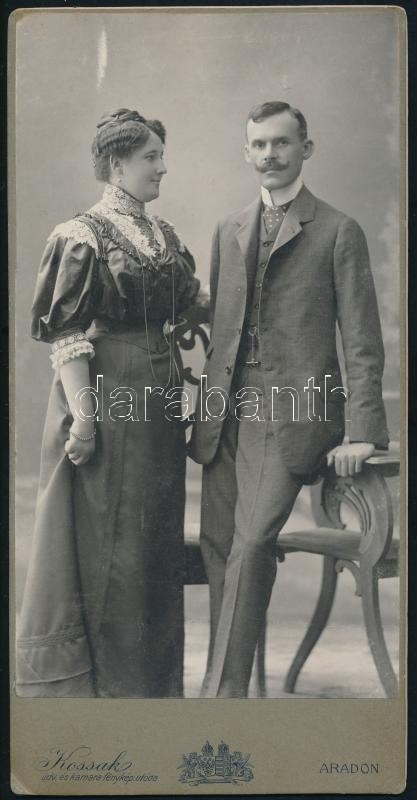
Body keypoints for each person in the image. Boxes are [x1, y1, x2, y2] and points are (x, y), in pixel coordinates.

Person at [190, 100, 389, 698]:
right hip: (226, 411)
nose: (269, 155)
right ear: (246, 152)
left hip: (294, 414)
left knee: (252, 543)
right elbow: (223, 331)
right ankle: (227, 689)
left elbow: (361, 340)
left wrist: (362, 432)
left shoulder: (338, 230)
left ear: (306, 148)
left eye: (281, 142)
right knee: (220, 547)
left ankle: (222, 700)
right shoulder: (228, 229)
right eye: (259, 144)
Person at [16, 108, 201, 698]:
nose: (162, 168)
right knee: (112, 547)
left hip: (158, 406)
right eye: (151, 157)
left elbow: (194, 307)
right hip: (107, 396)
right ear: (117, 164)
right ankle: (111, 695)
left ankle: (154, 692)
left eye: (162, 156)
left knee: (153, 546)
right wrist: (85, 420)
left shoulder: (164, 237)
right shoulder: (82, 236)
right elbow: (68, 336)